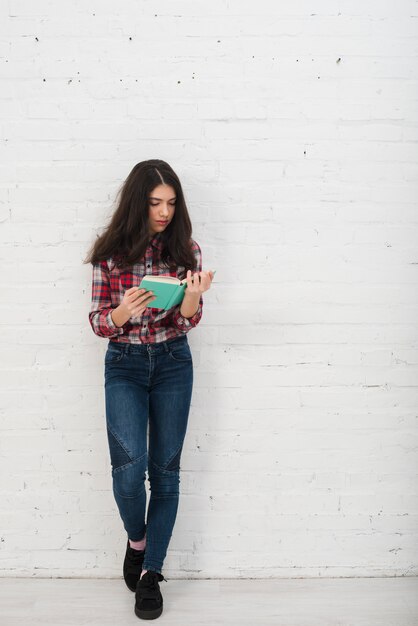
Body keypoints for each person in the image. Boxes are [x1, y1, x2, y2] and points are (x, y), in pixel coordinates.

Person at [83, 159, 214, 620]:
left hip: (174, 362)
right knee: (127, 470)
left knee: (165, 472)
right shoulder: (111, 253)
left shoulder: (186, 249)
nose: (164, 212)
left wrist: (192, 296)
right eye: (156, 202)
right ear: (138, 202)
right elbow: (99, 323)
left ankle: (151, 574)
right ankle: (137, 541)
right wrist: (122, 312)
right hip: (125, 364)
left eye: (172, 203)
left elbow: (186, 321)